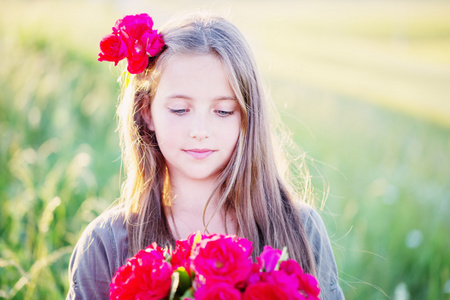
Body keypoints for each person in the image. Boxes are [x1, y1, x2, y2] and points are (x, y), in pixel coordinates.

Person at [67, 12, 344, 299]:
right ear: (146, 111)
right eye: (179, 110)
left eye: (223, 111)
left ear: (247, 116)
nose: (200, 131)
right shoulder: (105, 244)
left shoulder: (299, 228)